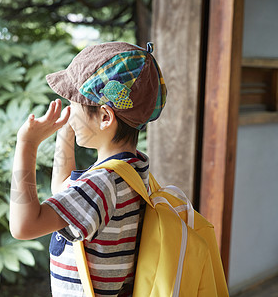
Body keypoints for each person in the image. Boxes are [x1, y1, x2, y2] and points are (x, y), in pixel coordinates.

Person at [10, 41, 167, 297]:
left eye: (74, 103)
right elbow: (63, 188)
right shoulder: (129, 169)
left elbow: (23, 226)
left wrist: (26, 145)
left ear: (105, 117)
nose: (69, 109)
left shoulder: (102, 183)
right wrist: (65, 130)